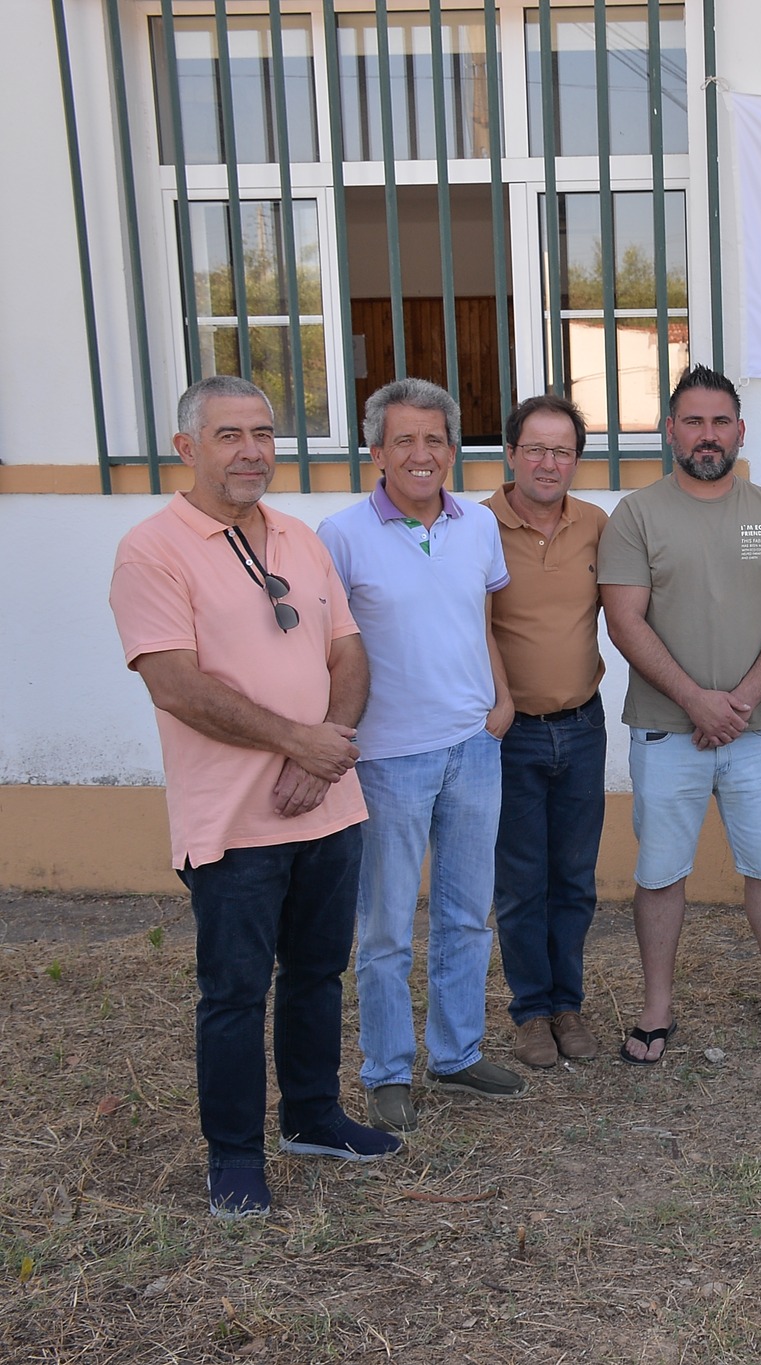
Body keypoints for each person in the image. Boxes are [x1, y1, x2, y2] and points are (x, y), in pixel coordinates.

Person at [111, 376, 400, 1219]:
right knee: (234, 990)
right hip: (232, 819)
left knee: (317, 971)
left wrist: (323, 753)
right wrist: (296, 740)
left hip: (325, 804)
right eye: (230, 434)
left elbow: (349, 657)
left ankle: (312, 1116)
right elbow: (176, 685)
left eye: (265, 434)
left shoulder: (301, 539)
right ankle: (233, 1155)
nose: (252, 451)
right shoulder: (151, 549)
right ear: (188, 448)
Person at [320, 378, 526, 1132]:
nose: (421, 454)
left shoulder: (477, 524)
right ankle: (385, 1069)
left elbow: (484, 619)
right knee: (383, 926)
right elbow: (326, 649)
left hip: (474, 746)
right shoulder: (339, 535)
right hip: (387, 758)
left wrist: (499, 701)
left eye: (434, 439)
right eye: (404, 440)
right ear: (375, 451)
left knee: (468, 912)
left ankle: (457, 1052)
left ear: (452, 449)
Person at [599, 365, 761, 1061]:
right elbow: (624, 620)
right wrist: (696, 699)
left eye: (720, 421)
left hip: (754, 732)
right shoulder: (635, 515)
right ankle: (656, 1007)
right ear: (670, 430)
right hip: (667, 731)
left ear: (740, 430)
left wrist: (741, 699)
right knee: (661, 872)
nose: (706, 434)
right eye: (692, 421)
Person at [484, 395, 608, 1069]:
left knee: (575, 877)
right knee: (522, 880)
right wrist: (500, 698)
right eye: (535, 448)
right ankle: (530, 1010)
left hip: (583, 726)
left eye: (563, 450)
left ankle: (569, 1002)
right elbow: (471, 626)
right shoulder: (474, 526)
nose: (548, 462)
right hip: (513, 734)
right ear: (510, 453)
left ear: (576, 460)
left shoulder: (595, 524)